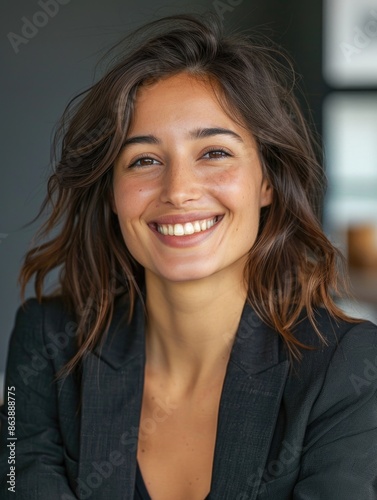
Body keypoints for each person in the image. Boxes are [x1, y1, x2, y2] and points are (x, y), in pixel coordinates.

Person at [1, 12, 377, 500]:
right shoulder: (47, 344)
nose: (178, 191)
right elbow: (16, 478)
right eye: (144, 160)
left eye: (213, 153)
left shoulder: (347, 368)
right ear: (112, 194)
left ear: (266, 180)